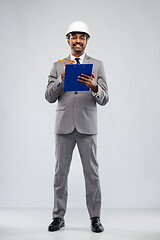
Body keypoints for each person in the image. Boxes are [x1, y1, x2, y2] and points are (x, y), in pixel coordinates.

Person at [45, 21, 109, 233]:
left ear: (87, 41)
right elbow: (48, 97)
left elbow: (105, 98)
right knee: (60, 174)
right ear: (68, 40)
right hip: (63, 128)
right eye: (74, 37)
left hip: (87, 127)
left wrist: (94, 87)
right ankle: (58, 217)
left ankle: (95, 217)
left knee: (92, 174)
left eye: (82, 37)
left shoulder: (97, 65)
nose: (78, 41)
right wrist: (61, 80)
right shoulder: (57, 65)